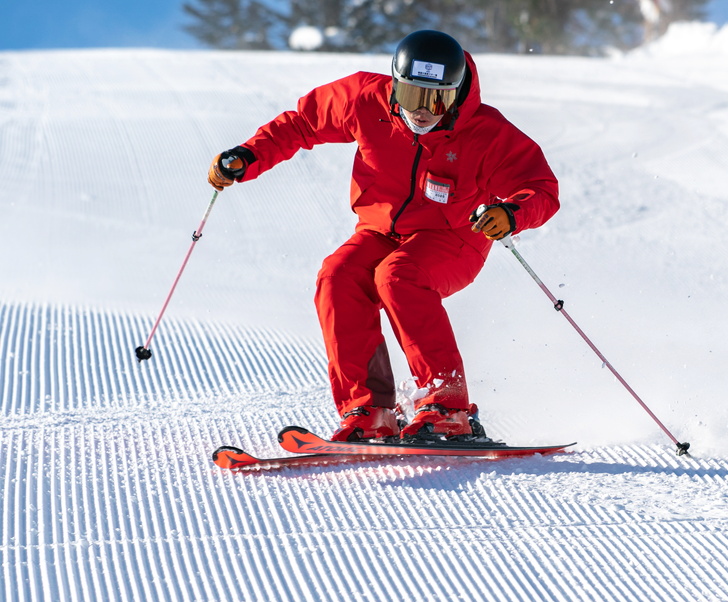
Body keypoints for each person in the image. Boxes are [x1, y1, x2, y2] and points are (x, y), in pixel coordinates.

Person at [208, 30, 559, 441]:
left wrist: (510, 212)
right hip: (381, 229)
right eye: (412, 96)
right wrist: (248, 156)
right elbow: (301, 124)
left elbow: (541, 188)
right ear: (394, 84)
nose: (424, 111)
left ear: (458, 94)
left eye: (438, 99)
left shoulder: (486, 133)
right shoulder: (364, 98)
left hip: (454, 238)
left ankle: (447, 408)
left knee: (398, 275)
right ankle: (370, 411)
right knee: (337, 276)